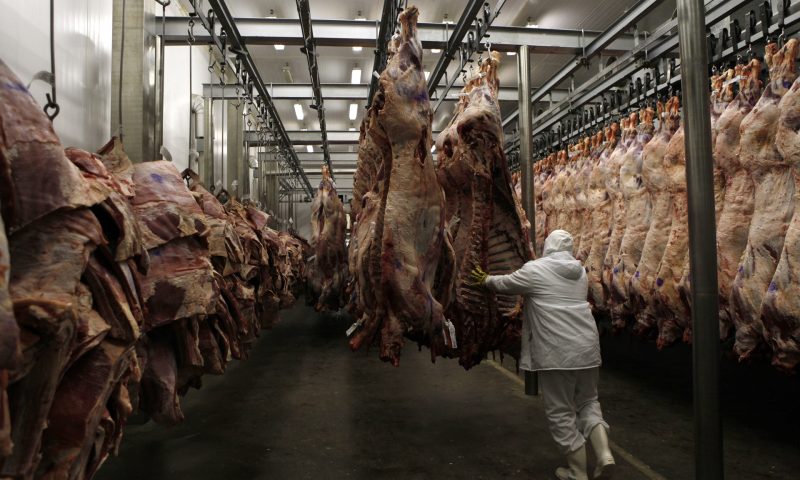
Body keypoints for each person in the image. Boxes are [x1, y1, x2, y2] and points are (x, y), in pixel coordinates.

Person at [471, 230, 615, 480]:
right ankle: (604, 455)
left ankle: (577, 472)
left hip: (557, 351)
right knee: (588, 401)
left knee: (561, 411)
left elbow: (507, 284)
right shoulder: (580, 272)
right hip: (587, 348)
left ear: (548, 246)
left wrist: (485, 280)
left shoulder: (536, 270)